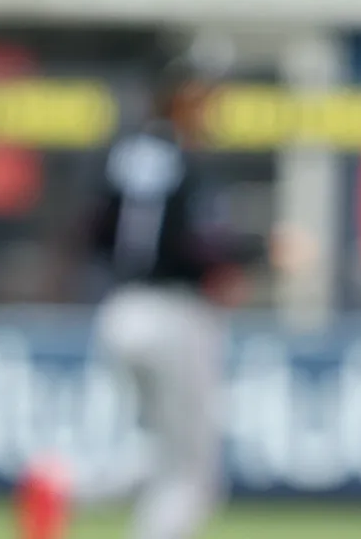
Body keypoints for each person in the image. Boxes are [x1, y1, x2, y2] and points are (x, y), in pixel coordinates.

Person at [83, 61, 257, 539]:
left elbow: (95, 233)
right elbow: (197, 244)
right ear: (181, 98)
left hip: (120, 311)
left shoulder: (123, 154)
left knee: (157, 455)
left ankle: (61, 487)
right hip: (175, 314)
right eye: (205, 98)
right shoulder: (186, 160)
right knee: (191, 475)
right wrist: (260, 252)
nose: (212, 109)